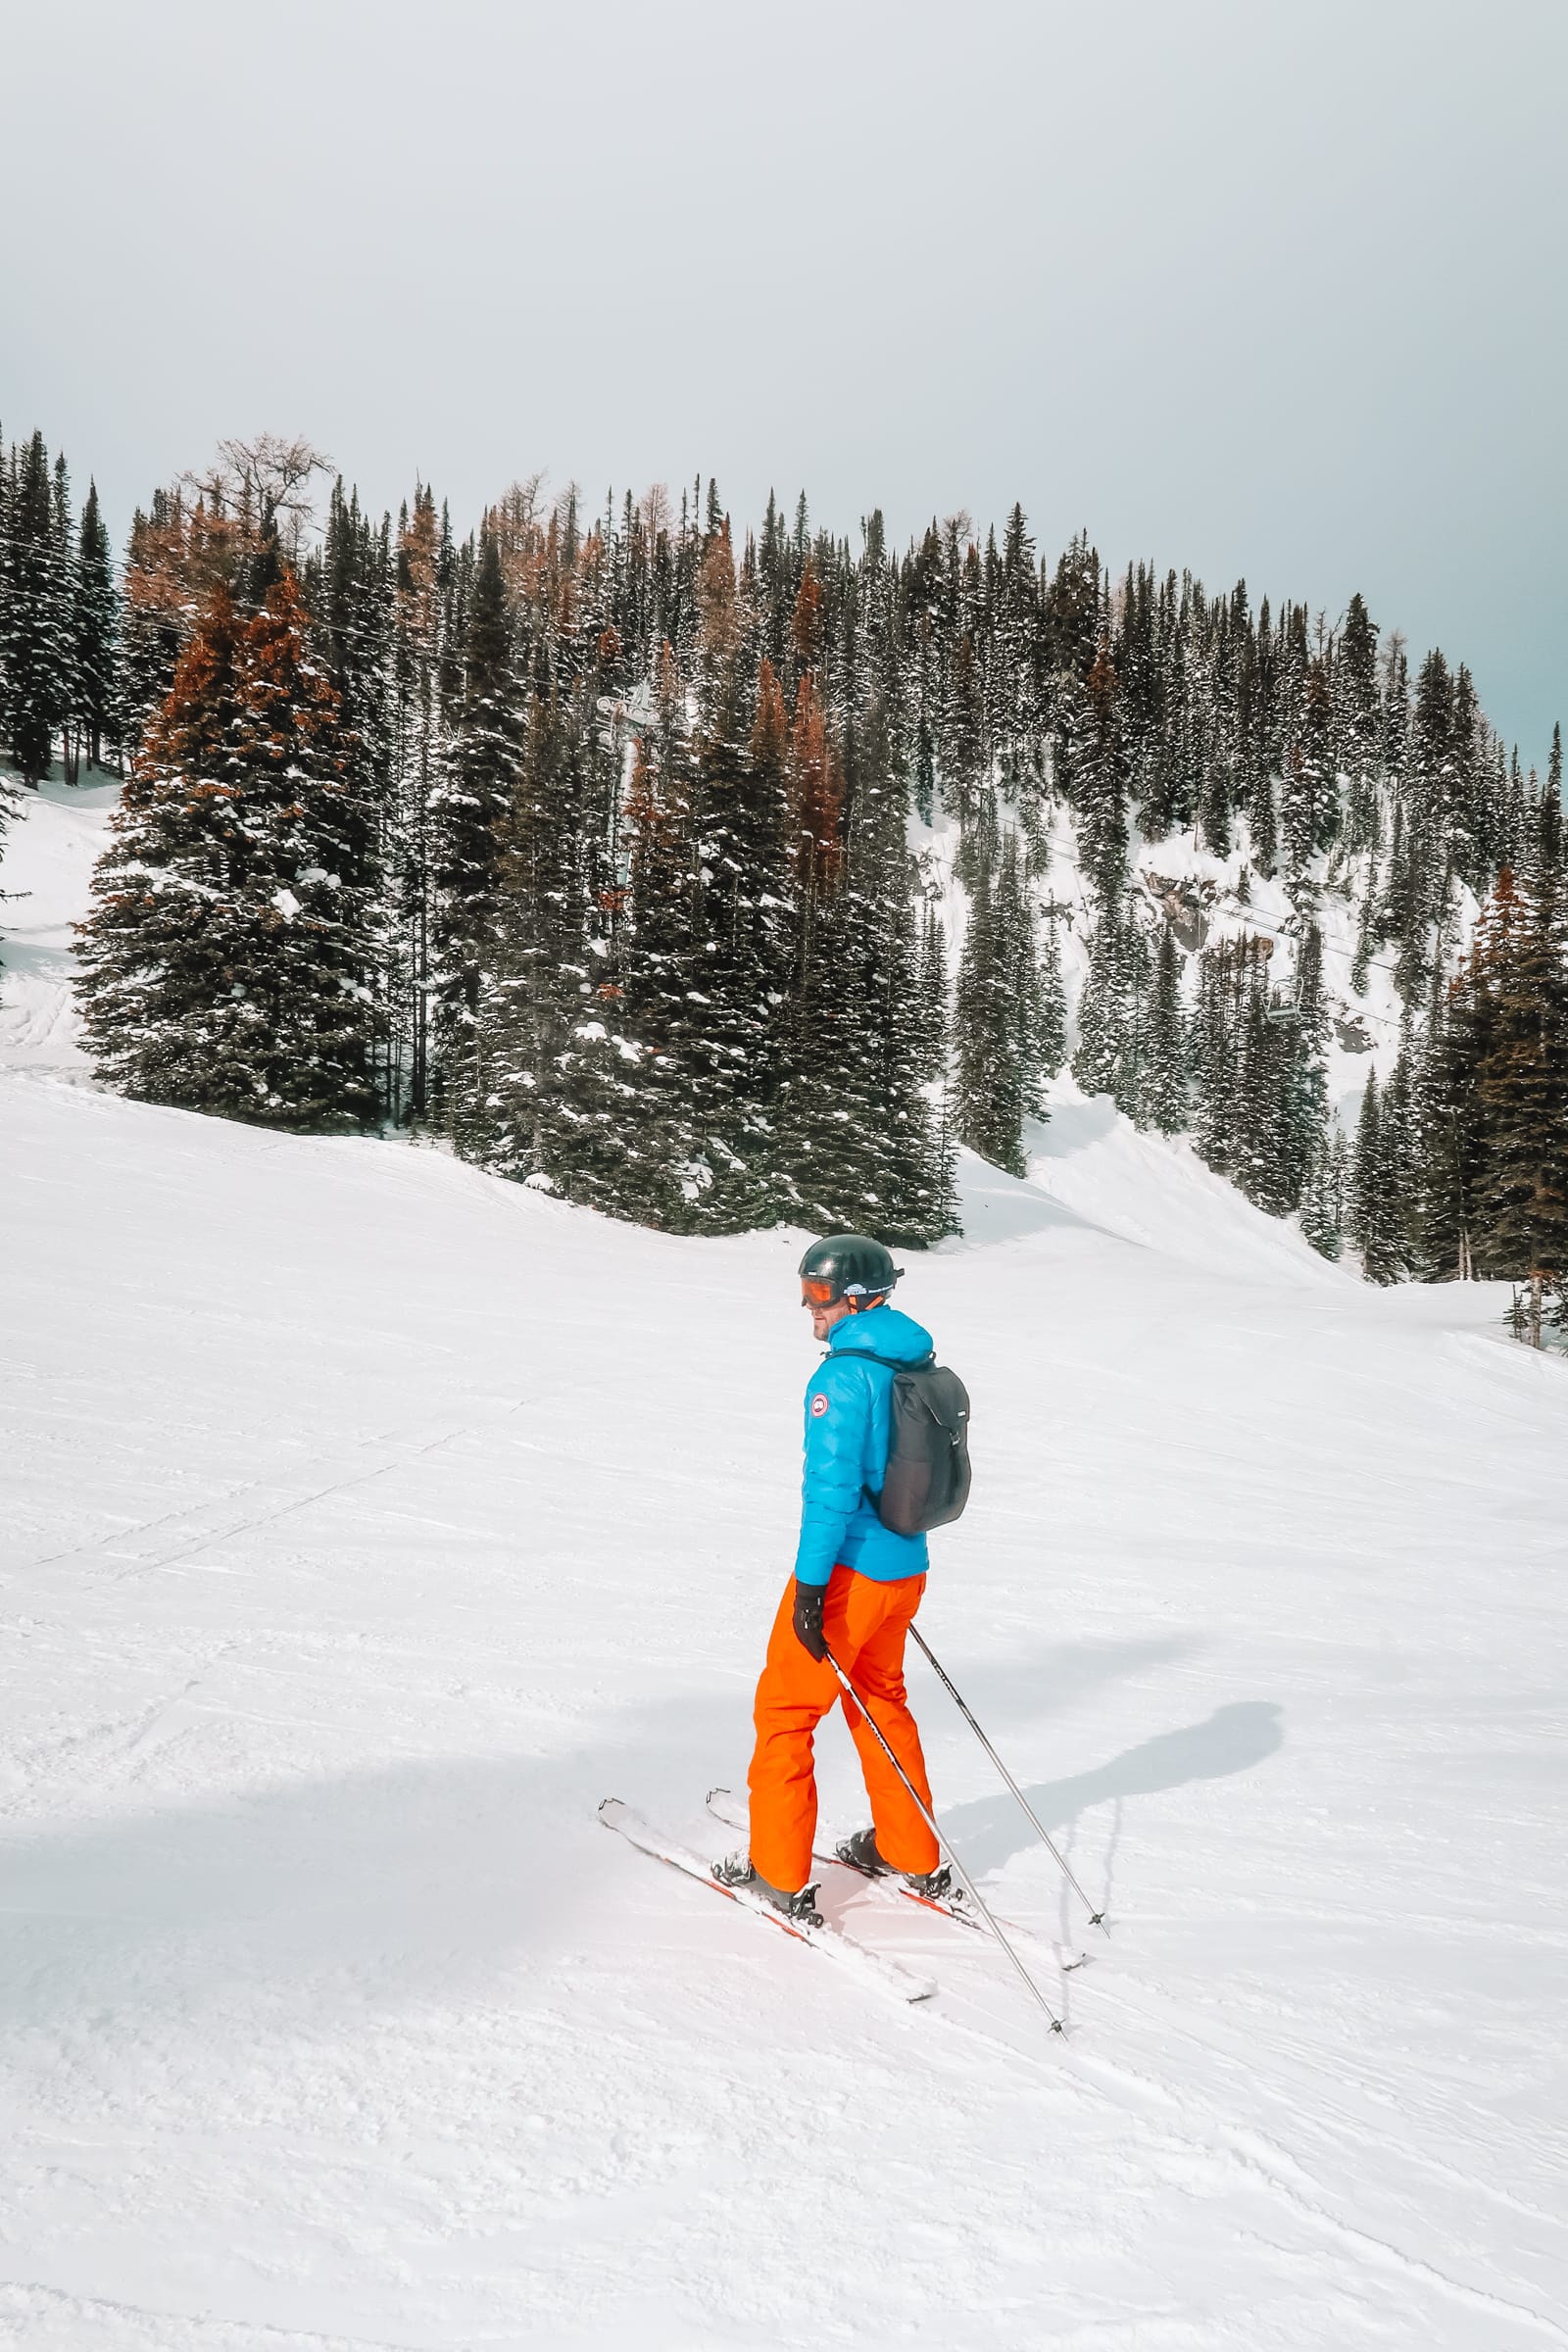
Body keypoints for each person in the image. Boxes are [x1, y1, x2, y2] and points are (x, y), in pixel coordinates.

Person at [713, 1233, 950, 1924]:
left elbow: (832, 1495)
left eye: (819, 1295)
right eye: (805, 1290)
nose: (808, 1308)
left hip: (847, 1574)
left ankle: (777, 1872)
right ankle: (909, 1849)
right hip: (905, 1569)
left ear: (856, 1297)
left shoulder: (842, 1378)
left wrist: (811, 1590)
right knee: (880, 1699)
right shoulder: (911, 1358)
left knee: (786, 1713)